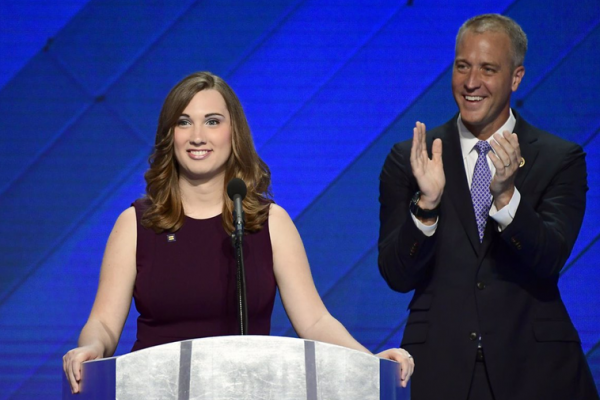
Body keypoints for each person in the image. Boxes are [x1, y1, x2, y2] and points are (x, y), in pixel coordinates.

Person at [63, 71, 414, 394]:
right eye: (184, 123)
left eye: (212, 121)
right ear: (170, 136)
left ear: (234, 133)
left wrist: (371, 362)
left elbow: (315, 320)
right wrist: (91, 347)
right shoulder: (137, 224)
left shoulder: (270, 222)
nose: (197, 136)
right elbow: (104, 323)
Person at [378, 13, 599, 400]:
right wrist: (427, 206)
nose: (471, 82)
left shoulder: (559, 158)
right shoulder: (412, 158)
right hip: (444, 368)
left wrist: (506, 197)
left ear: (516, 77)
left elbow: (549, 258)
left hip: (537, 369)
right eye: (462, 66)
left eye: (488, 69)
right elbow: (397, 274)